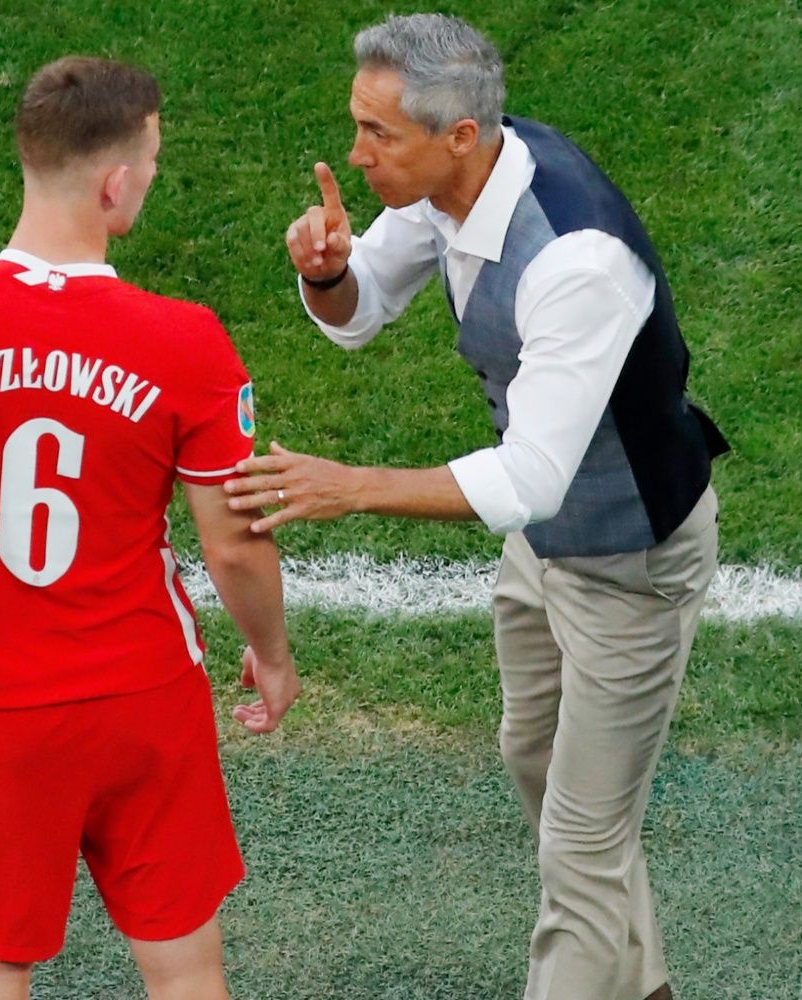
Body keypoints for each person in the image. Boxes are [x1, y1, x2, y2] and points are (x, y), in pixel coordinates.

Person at [229, 14, 726, 1000]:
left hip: (628, 559)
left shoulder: (571, 260)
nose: (357, 155)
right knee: (532, 756)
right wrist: (325, 271)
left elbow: (530, 476)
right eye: (358, 127)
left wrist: (351, 487)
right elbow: (359, 312)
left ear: (458, 135)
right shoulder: (451, 176)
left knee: (581, 849)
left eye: (379, 136)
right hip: (546, 549)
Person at [0, 56, 298, 1000]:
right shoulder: (186, 338)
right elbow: (234, 541)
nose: (153, 178)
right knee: (186, 970)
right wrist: (272, 653)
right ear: (116, 182)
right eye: (154, 161)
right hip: (144, 699)